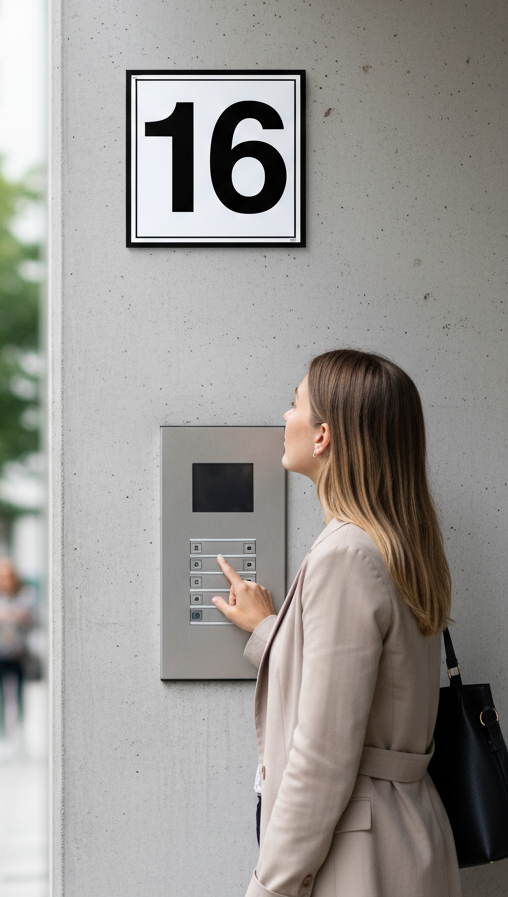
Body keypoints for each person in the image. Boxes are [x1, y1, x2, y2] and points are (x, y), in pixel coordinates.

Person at [213, 349, 460, 897]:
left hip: (361, 857)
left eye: (295, 403)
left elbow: (322, 756)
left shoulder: (345, 556)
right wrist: (269, 629)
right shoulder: (395, 546)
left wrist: (270, 888)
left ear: (323, 435)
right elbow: (364, 692)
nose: (285, 417)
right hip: (404, 839)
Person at [0, 557, 37, 756]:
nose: (5, 580)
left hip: (19, 653)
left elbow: (37, 620)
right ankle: (2, 739)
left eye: (8, 576)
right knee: (1, 698)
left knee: (19, 696)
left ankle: (19, 734)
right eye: (1, 577)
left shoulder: (25, 596)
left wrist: (22, 617)